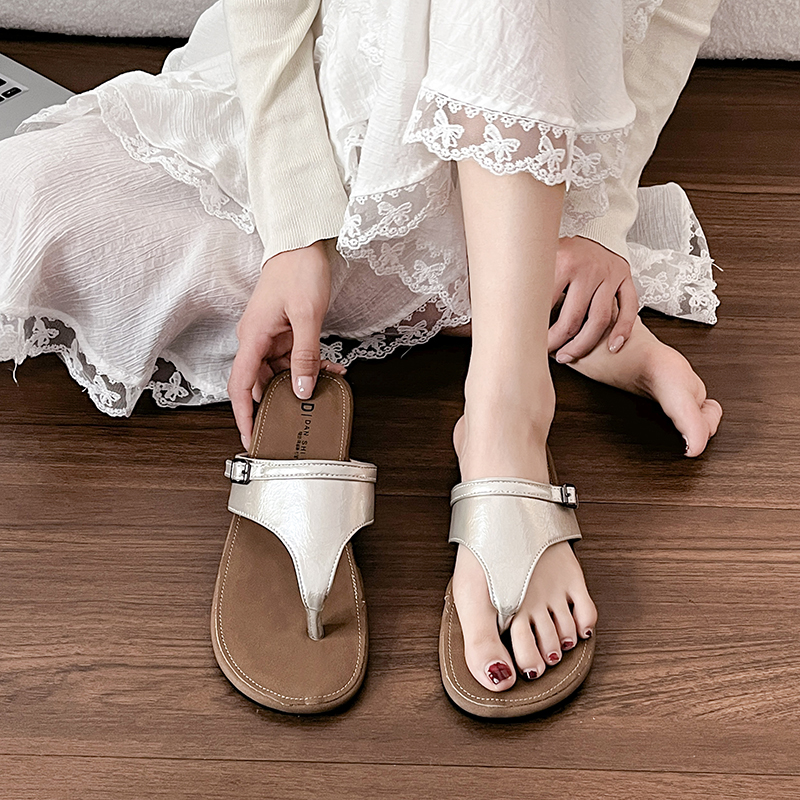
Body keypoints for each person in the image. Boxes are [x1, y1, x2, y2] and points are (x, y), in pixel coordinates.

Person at [0, 0, 723, 714]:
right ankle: (527, 312)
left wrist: (599, 221)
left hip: (534, 127)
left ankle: (508, 417)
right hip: (349, 115)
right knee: (32, 207)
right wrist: (295, 235)